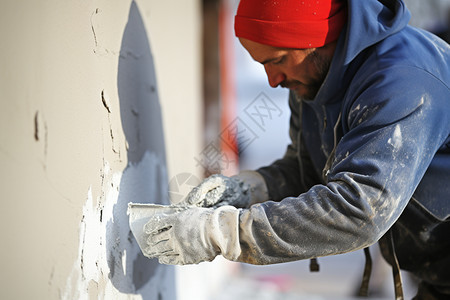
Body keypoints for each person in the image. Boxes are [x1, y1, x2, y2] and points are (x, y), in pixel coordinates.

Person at [143, 0, 450, 298]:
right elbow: (311, 169)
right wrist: (250, 190)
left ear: (317, 40)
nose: (273, 80)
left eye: (276, 60)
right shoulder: (313, 77)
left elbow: (360, 210)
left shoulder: (404, 81)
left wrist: (222, 233)